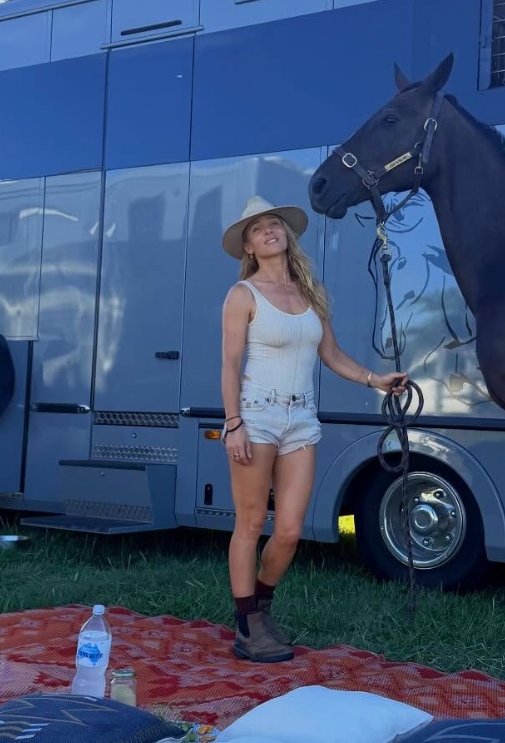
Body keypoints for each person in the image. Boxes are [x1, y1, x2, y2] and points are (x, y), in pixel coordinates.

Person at [220, 195, 408, 663]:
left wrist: (375, 379)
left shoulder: (309, 293)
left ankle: (262, 607)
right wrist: (234, 423)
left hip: (301, 417)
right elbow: (229, 363)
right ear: (248, 246)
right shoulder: (243, 295)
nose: (269, 230)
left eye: (274, 224)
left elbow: (333, 355)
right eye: (258, 228)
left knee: (288, 530)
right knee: (249, 523)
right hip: (256, 415)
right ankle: (246, 627)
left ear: (286, 234)